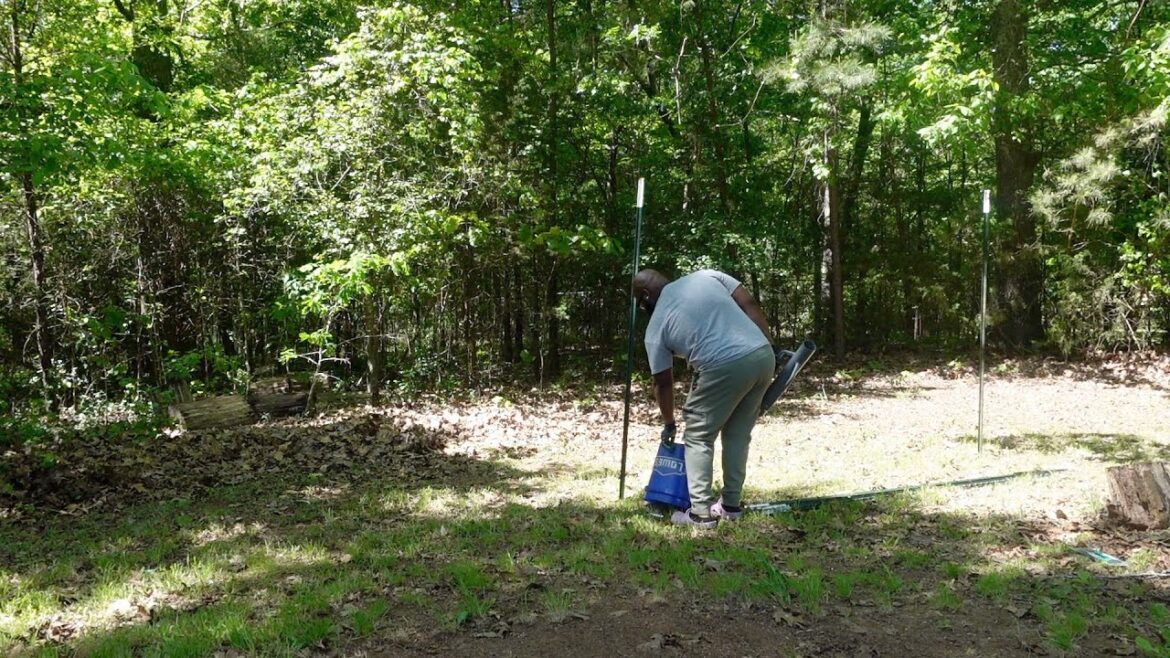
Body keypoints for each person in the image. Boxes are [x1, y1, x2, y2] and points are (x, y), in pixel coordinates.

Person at [633, 268, 775, 528]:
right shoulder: (707, 276)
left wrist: (669, 423)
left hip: (722, 364)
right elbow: (748, 302)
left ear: (645, 296)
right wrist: (766, 344)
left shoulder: (655, 327)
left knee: (698, 435)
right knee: (737, 432)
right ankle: (731, 506)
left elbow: (662, 382)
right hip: (762, 355)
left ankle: (700, 514)